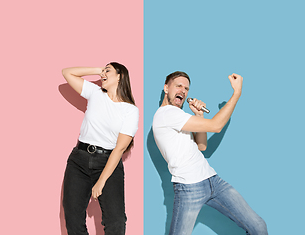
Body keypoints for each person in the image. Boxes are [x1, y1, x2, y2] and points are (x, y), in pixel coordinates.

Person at [152, 71, 268, 235]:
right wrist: (236, 94)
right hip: (189, 187)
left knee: (258, 227)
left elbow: (201, 146)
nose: (183, 91)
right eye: (178, 86)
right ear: (166, 88)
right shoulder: (166, 114)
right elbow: (216, 126)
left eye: (186, 89)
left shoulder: (178, 116)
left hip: (213, 181)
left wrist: (198, 115)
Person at [61, 62, 139, 235]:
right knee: (73, 218)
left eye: (108, 70)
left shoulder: (130, 110)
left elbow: (119, 149)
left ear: (120, 76)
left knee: (115, 221)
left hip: (108, 162)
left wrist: (101, 182)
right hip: (78, 160)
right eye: (103, 70)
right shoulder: (95, 93)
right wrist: (99, 71)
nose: (103, 74)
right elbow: (67, 72)